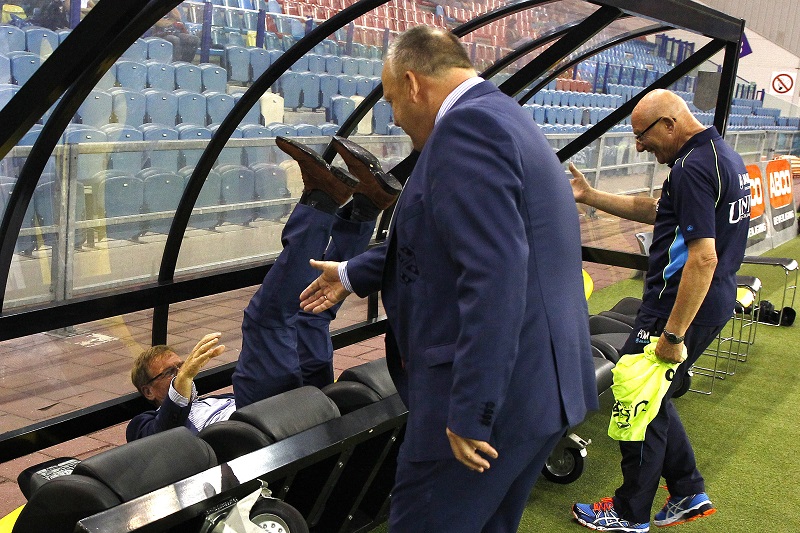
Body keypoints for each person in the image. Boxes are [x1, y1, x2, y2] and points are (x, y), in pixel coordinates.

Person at [300, 26, 597, 533]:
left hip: (486, 402)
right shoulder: (500, 115)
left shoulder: (467, 132)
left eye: (392, 99)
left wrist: (470, 411)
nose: (394, 116)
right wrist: (353, 272)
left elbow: (495, 277)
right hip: (540, 389)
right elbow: (450, 243)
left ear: (413, 84)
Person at [127, 136, 402, 440]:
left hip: (292, 407)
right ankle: (321, 201)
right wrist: (181, 388)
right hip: (259, 420)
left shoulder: (209, 401)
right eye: (171, 372)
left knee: (312, 310)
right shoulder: (141, 425)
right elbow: (160, 434)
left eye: (181, 365)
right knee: (263, 322)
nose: (184, 371)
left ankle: (365, 208)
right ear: (149, 390)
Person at [570, 89, 751, 532]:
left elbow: (702, 257)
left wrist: (672, 334)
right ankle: (688, 490)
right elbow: (658, 211)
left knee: (639, 402)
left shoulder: (692, 168)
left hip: (676, 309)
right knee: (657, 399)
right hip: (711, 302)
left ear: (668, 124)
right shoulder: (720, 155)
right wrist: (591, 196)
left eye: (641, 135)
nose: (638, 146)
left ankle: (630, 513)